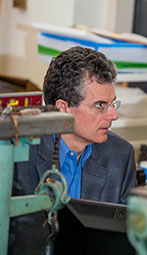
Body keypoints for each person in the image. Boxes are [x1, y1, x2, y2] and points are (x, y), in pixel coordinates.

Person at [9, 46, 137, 255]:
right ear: (62, 108)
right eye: (100, 105)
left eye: (113, 104)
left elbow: (127, 239)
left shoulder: (120, 155)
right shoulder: (17, 153)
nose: (113, 115)